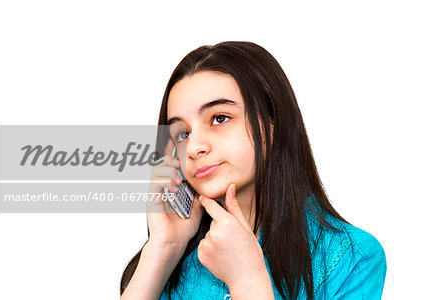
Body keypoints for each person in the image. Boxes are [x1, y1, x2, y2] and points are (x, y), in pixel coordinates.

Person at [119, 41, 387, 300]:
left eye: (219, 118)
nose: (194, 147)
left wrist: (247, 281)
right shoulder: (173, 263)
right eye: (182, 133)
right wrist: (165, 246)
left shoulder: (352, 256)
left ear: (273, 123)